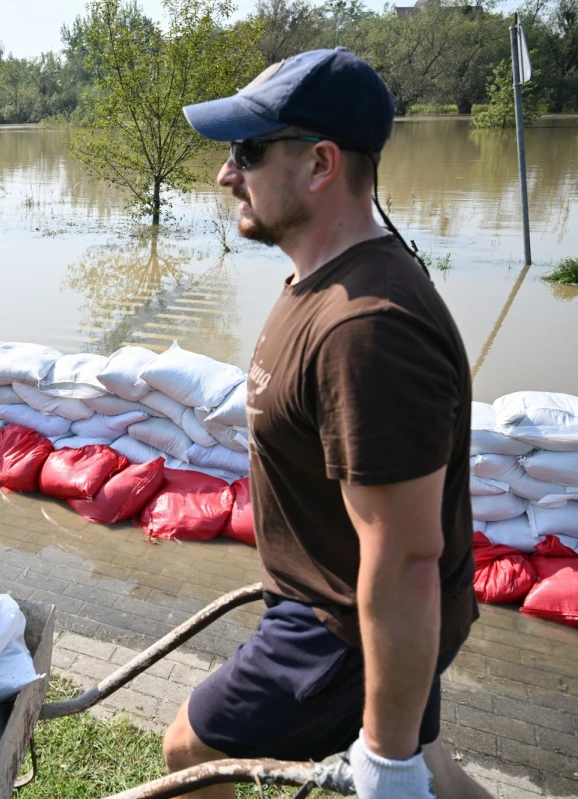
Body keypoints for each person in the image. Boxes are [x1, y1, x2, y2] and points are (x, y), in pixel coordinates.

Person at [166, 48, 492, 799]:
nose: (225, 174)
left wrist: (385, 755)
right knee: (437, 773)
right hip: (347, 609)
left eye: (248, 151)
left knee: (189, 752)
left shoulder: (367, 327)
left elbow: (407, 555)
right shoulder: (326, 280)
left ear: (320, 164)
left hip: (339, 629)